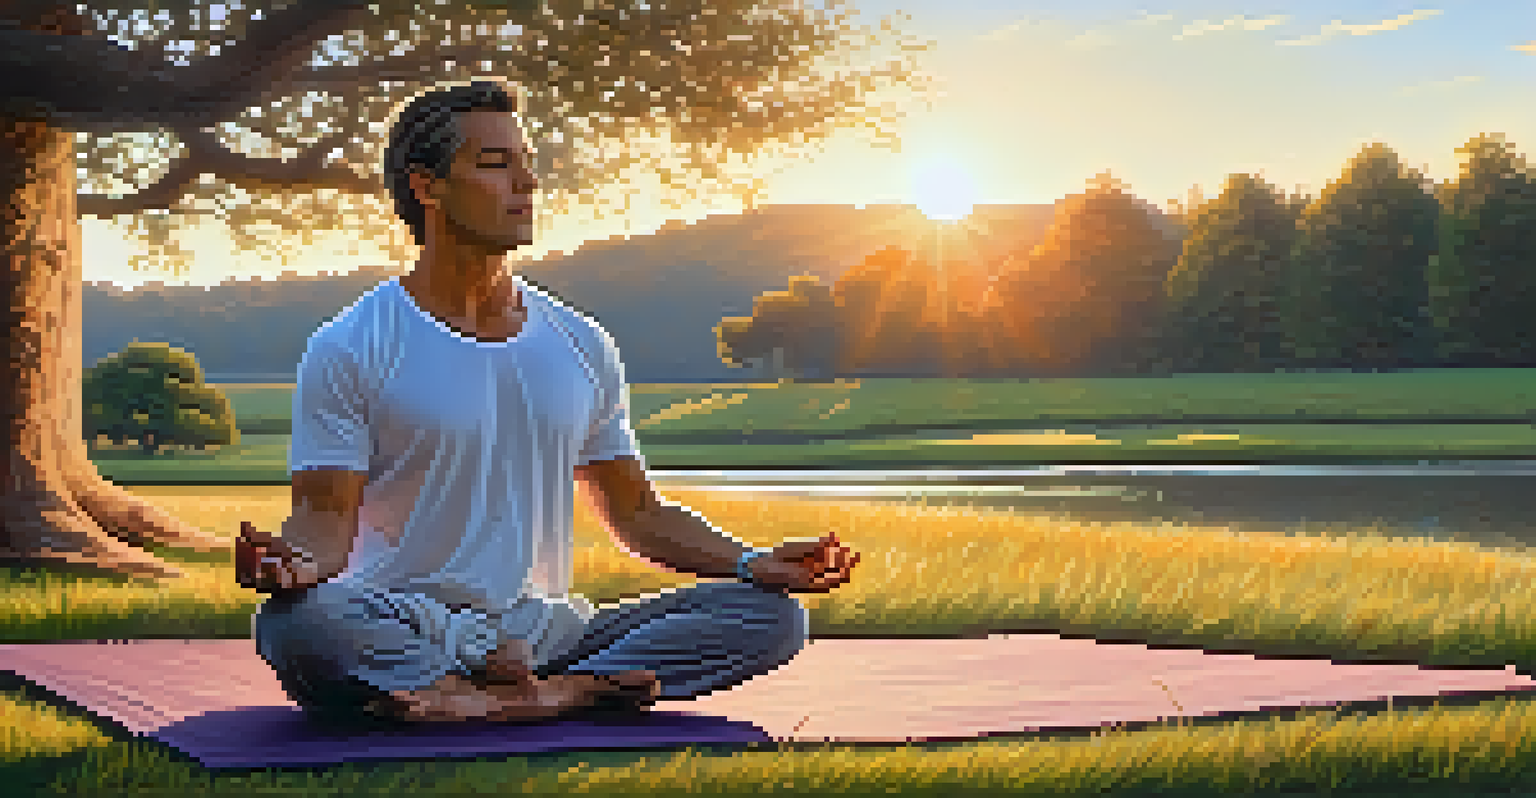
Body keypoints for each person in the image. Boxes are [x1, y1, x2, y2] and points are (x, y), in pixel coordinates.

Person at [235, 80, 860, 726]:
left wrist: (752, 561)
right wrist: (292, 565)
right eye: (495, 164)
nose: (527, 184)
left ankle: (503, 696)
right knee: (295, 624)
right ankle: (551, 694)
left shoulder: (580, 343)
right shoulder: (351, 345)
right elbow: (323, 517)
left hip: (542, 637)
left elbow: (637, 513)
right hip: (405, 625)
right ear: (427, 187)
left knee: (770, 616)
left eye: (527, 165)